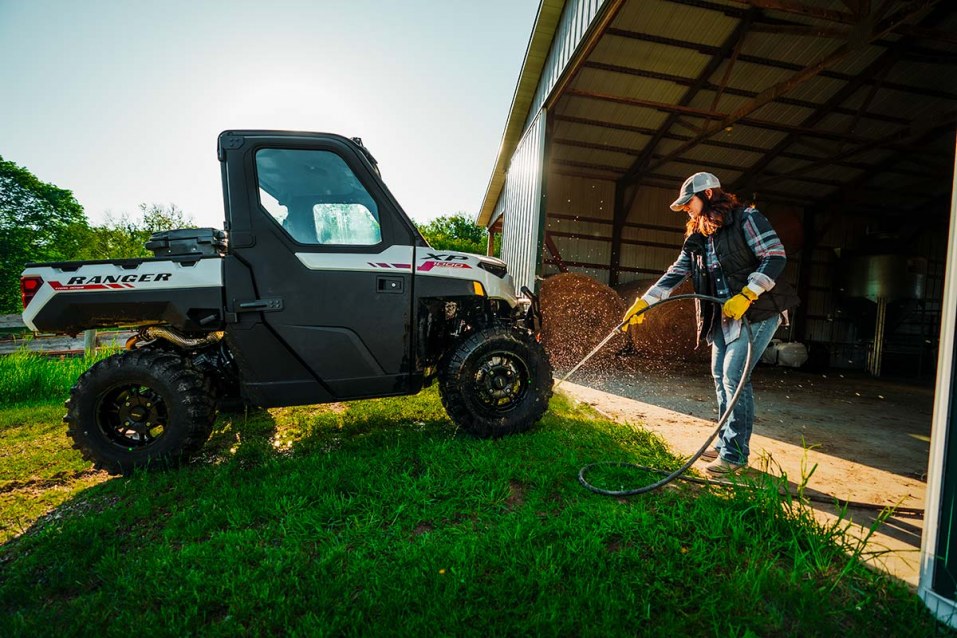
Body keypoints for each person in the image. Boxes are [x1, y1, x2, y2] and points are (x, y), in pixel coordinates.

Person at [621, 172, 799, 475]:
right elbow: (676, 272)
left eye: (688, 202)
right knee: (720, 375)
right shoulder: (699, 237)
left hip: (756, 311)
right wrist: (646, 302)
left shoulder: (746, 219)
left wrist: (749, 292)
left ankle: (734, 455)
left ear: (708, 195)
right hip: (722, 315)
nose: (686, 209)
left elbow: (775, 255)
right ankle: (724, 440)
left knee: (734, 377)